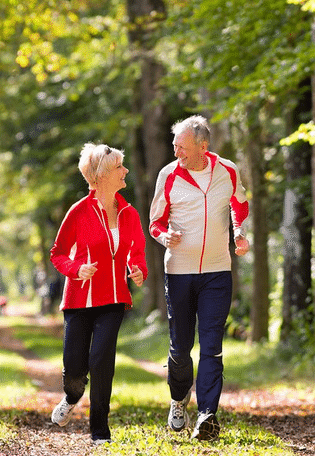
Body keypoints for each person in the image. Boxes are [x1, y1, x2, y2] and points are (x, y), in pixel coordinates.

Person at [149, 115, 250, 441]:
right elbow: (155, 223)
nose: (176, 150)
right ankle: (179, 400)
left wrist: (240, 232)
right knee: (180, 348)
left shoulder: (227, 170)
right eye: (175, 144)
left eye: (182, 146)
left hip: (217, 272)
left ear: (202, 147)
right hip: (179, 272)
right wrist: (165, 237)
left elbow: (240, 204)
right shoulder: (168, 175)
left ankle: (207, 414)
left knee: (212, 346)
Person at [50, 143, 147, 444]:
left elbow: (137, 251)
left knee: (101, 359)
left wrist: (137, 269)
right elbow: (58, 253)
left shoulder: (129, 213)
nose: (125, 171)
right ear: (102, 175)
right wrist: (76, 269)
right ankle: (71, 395)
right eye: (120, 166)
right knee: (75, 368)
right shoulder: (78, 212)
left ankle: (99, 432)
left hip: (114, 298)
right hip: (79, 300)